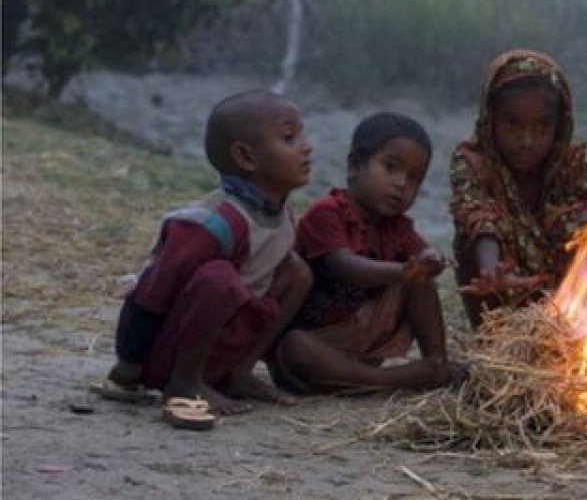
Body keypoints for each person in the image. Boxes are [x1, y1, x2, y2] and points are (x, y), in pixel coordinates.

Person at [96, 90, 314, 419]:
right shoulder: (213, 223)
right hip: (168, 359)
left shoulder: (280, 213)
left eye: (302, 133)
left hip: (225, 342)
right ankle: (184, 384)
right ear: (246, 158)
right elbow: (152, 295)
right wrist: (128, 368)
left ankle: (240, 373)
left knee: (297, 272)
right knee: (219, 279)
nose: (306, 145)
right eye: (289, 137)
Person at [271, 112, 465, 393]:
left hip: (363, 338)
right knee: (294, 347)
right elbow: (345, 265)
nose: (401, 184)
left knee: (420, 281)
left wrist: (432, 259)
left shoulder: (396, 227)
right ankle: (395, 380)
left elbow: (422, 252)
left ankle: (436, 364)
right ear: (355, 166)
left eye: (414, 178)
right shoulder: (327, 212)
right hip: (319, 343)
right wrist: (403, 271)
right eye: (391, 168)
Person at [450, 49, 587, 330]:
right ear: (490, 119)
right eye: (512, 124)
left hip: (576, 299)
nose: (526, 141)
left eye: (542, 126)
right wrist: (490, 271)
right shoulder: (473, 161)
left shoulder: (579, 164)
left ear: (559, 126)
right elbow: (478, 215)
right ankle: (497, 344)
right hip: (503, 296)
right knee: (469, 243)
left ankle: (586, 337)